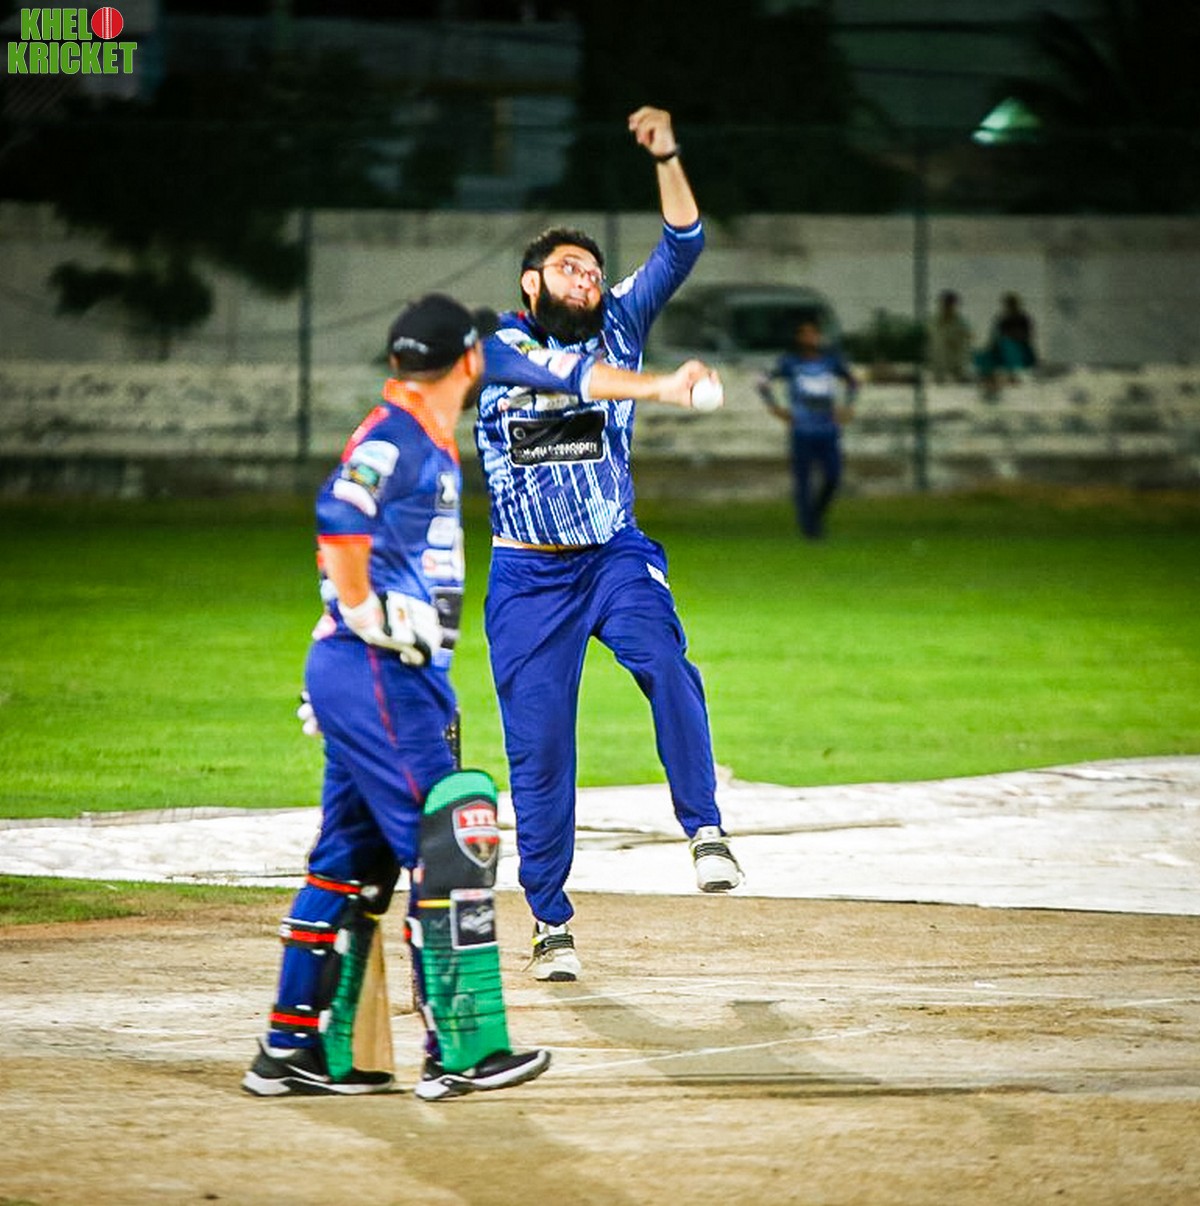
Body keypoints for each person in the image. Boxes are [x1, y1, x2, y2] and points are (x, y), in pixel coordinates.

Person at [242, 294, 557, 1101]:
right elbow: (338, 509)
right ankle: (460, 1052)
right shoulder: (403, 436)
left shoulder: (414, 429)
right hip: (380, 670)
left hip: (365, 672)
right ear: (470, 359)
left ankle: (289, 1051)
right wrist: (360, 615)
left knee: (345, 860)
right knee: (448, 842)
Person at [473, 105, 743, 983]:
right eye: (568, 269)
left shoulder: (619, 322)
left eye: (592, 270)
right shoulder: (500, 347)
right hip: (528, 579)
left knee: (664, 658)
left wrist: (668, 153)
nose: (587, 280)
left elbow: (684, 241)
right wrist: (662, 388)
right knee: (541, 754)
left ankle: (705, 828)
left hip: (613, 555)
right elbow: (571, 378)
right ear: (532, 285)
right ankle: (550, 922)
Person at [756, 314, 860, 540]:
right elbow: (762, 381)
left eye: (813, 333)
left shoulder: (830, 361)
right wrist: (775, 407)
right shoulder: (790, 363)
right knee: (803, 480)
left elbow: (852, 381)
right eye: (805, 334)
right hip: (802, 429)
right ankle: (809, 527)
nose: (810, 338)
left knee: (833, 476)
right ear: (798, 337)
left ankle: (816, 514)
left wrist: (848, 406)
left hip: (828, 429)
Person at [978, 292, 1037, 392]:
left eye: (1012, 304)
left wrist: (1012, 336)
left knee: (1008, 346)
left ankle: (1010, 375)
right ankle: (988, 377)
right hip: (1003, 349)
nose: (1010, 307)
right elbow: (995, 337)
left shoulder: (1023, 319)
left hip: (1020, 351)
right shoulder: (1002, 319)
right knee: (984, 355)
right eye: (1008, 304)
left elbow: (1027, 336)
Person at [928, 289, 973, 384]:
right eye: (945, 304)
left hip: (957, 361)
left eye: (950, 304)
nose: (947, 307)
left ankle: (959, 374)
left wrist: (957, 340)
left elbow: (969, 337)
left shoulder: (961, 323)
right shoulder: (934, 321)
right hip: (938, 363)